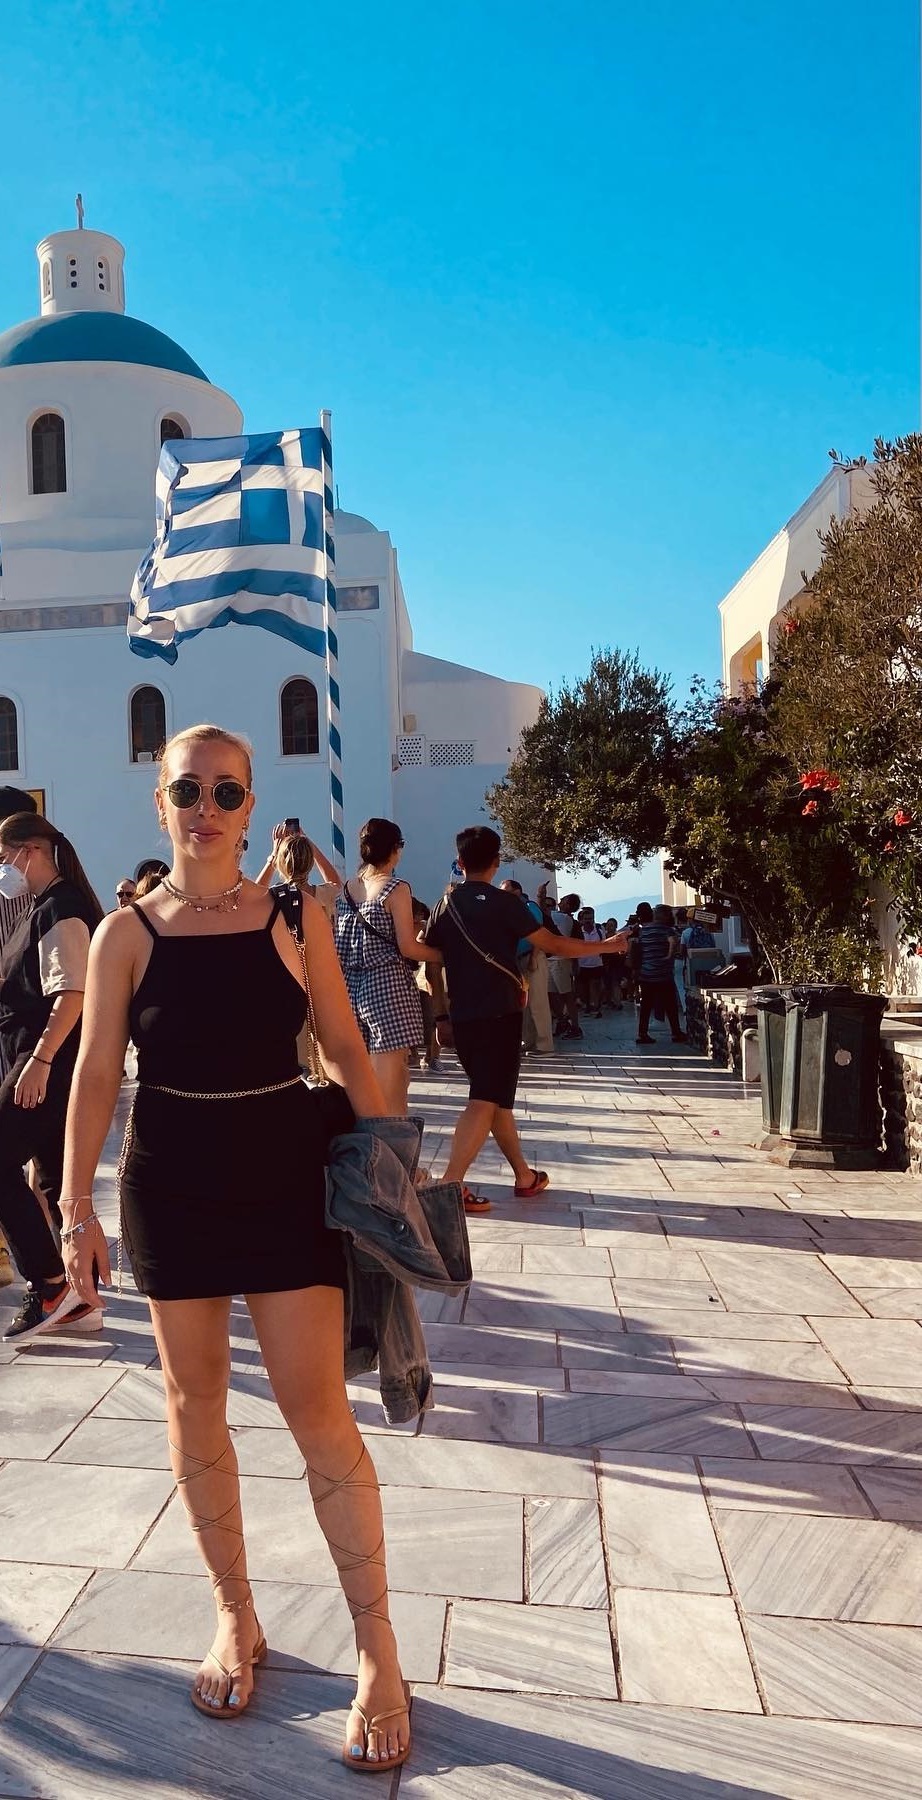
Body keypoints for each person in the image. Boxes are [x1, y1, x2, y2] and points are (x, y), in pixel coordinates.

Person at [59, 723, 412, 1769]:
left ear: (251, 806)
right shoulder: (125, 934)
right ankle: (234, 1615)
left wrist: (390, 1169)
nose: (206, 807)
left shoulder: (298, 917)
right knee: (193, 1402)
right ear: (160, 802)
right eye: (188, 789)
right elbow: (95, 1073)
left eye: (226, 790)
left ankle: (378, 1650)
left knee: (318, 1413)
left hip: (284, 1177)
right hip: (169, 1183)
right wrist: (75, 1207)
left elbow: (343, 1043)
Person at [425, 828, 624, 1212]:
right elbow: (554, 944)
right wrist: (607, 946)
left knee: (496, 1098)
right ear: (497, 861)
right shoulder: (506, 903)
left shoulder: (444, 905)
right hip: (501, 1014)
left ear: (460, 862)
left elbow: (430, 955)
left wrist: (440, 1014)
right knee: (485, 1098)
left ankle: (524, 1176)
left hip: (464, 1015)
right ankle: (451, 1184)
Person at [0, 813, 105, 1341]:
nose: (3, 869)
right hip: (38, 1061)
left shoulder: (61, 907)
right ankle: (80, 1295)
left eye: (4, 858)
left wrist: (39, 1061)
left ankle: (49, 1285)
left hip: (43, 1062)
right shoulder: (42, 906)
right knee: (54, 1177)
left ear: (31, 851)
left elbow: (72, 993)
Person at [334, 819, 441, 1117]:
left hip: (350, 988)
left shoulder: (347, 890)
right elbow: (408, 947)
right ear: (395, 849)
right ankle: (392, 1145)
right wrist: (443, 955)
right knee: (391, 1086)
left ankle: (373, 1141)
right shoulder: (395, 888)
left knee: (364, 1083)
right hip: (387, 987)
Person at [500, 879, 553, 1056]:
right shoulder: (510, 911)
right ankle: (529, 1040)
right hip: (518, 960)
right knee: (525, 1004)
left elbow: (539, 932)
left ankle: (545, 1045)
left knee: (538, 1001)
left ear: (517, 891)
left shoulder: (530, 907)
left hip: (533, 956)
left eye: (506, 891)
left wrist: (533, 957)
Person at [256, 824, 343, 926]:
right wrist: (308, 844)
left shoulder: (275, 897)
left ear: (281, 863)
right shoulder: (325, 895)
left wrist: (274, 855)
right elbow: (336, 883)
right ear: (310, 862)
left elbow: (255, 894)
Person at [633, 902, 688, 1046]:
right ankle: (676, 1032)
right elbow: (673, 942)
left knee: (646, 1005)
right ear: (665, 916)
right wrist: (669, 955)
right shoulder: (667, 930)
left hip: (646, 973)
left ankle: (642, 1033)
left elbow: (638, 949)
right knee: (670, 1004)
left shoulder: (644, 930)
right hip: (663, 974)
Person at [543, 888, 583, 1040]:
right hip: (550, 960)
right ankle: (562, 1020)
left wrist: (541, 895)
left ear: (568, 905)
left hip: (561, 961)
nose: (559, 901)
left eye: (563, 900)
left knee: (567, 995)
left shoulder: (563, 918)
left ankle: (575, 1027)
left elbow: (543, 912)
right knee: (551, 994)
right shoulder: (563, 918)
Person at [576, 907, 604, 1017]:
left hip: (596, 964)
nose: (588, 921)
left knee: (595, 986)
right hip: (582, 964)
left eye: (590, 918)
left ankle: (595, 1006)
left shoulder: (600, 932)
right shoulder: (578, 932)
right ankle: (587, 1005)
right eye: (586, 919)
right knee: (584, 988)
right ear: (582, 920)